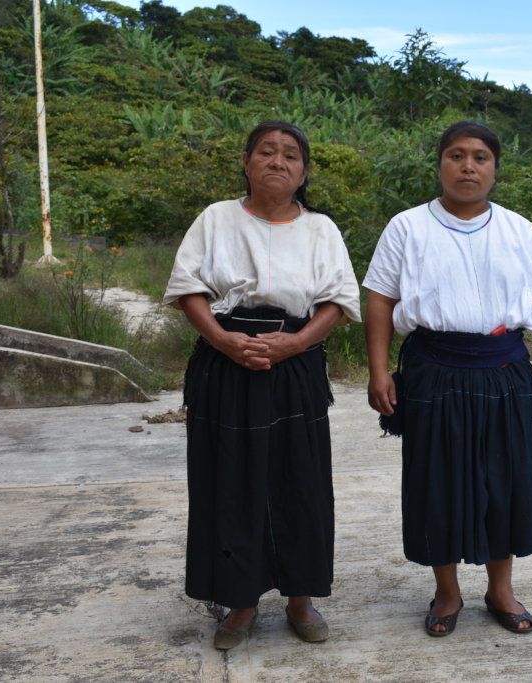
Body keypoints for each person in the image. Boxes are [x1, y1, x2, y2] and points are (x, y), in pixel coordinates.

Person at [163, 120, 361, 650]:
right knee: (229, 481)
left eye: (291, 155)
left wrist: (294, 344)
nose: (279, 161)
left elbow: (339, 302)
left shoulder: (321, 229)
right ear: (246, 162)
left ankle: (301, 598)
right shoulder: (215, 219)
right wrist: (226, 341)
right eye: (267, 152)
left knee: (301, 481)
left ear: (304, 171)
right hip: (225, 361)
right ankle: (239, 601)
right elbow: (189, 290)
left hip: (294, 362)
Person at [363, 120, 532, 637]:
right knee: (438, 481)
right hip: (433, 369)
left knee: (507, 480)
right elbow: (381, 300)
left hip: (505, 370)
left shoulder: (520, 230)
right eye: (456, 155)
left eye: (480, 157)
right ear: (440, 165)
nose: (468, 166)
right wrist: (380, 369)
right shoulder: (407, 227)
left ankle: (501, 589)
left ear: (495, 169)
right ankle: (447, 591)